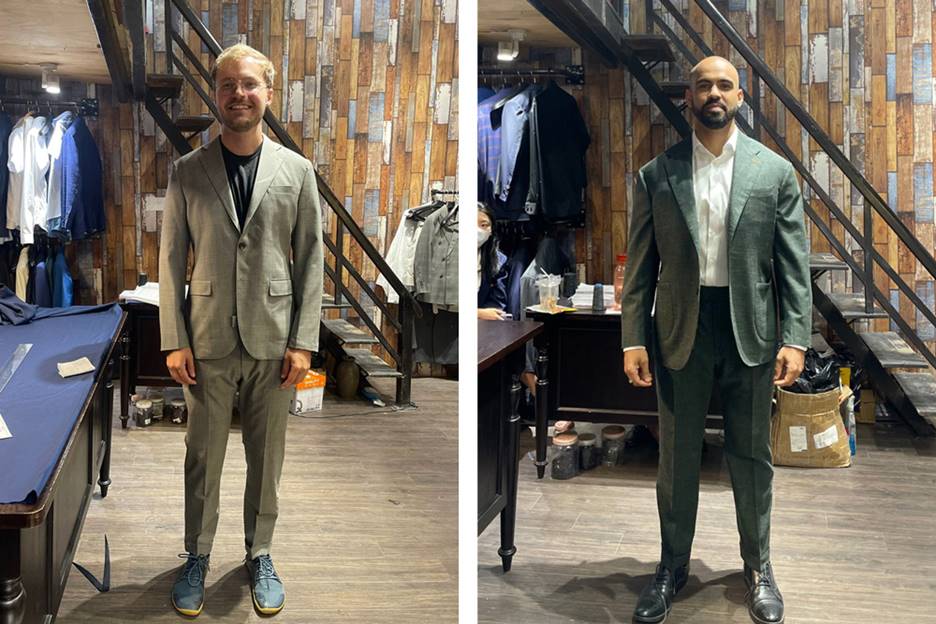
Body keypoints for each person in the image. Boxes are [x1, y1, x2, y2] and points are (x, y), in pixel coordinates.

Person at [619, 56, 811, 624]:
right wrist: (633, 339)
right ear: (689, 97)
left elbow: (793, 265)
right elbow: (640, 268)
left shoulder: (773, 172)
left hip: (750, 327)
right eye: (703, 85)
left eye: (724, 85)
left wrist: (796, 338)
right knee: (676, 455)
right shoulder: (658, 174)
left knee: (752, 455)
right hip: (681, 327)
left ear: (741, 97)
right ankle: (671, 566)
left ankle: (759, 566)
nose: (714, 93)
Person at [158, 43, 323, 617]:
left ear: (268, 93)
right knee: (202, 457)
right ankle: (197, 554)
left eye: (249, 84)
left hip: (274, 341)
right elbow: (170, 260)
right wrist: (174, 338)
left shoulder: (297, 172)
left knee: (267, 457)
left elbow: (311, 261)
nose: (238, 94)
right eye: (228, 84)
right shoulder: (187, 171)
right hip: (205, 341)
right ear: (216, 93)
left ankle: (260, 553)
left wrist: (303, 342)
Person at [477, 202, 508, 320]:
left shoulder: (499, 260)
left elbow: (497, 305)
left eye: (483, 225)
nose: (478, 230)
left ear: (491, 230)